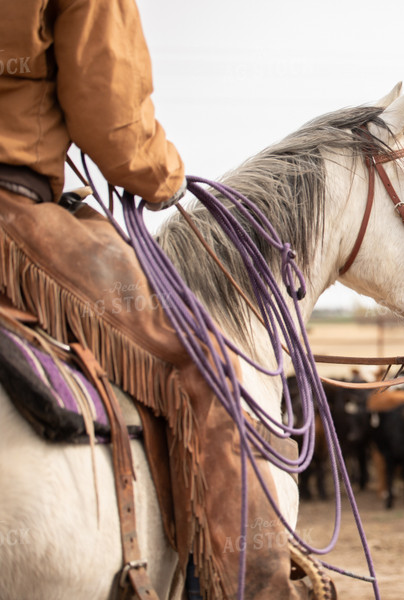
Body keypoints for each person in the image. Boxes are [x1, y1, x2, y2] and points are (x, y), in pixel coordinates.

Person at [0, 1, 304, 598]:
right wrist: (163, 175)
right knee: (206, 361)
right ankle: (254, 586)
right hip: (15, 215)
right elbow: (111, 120)